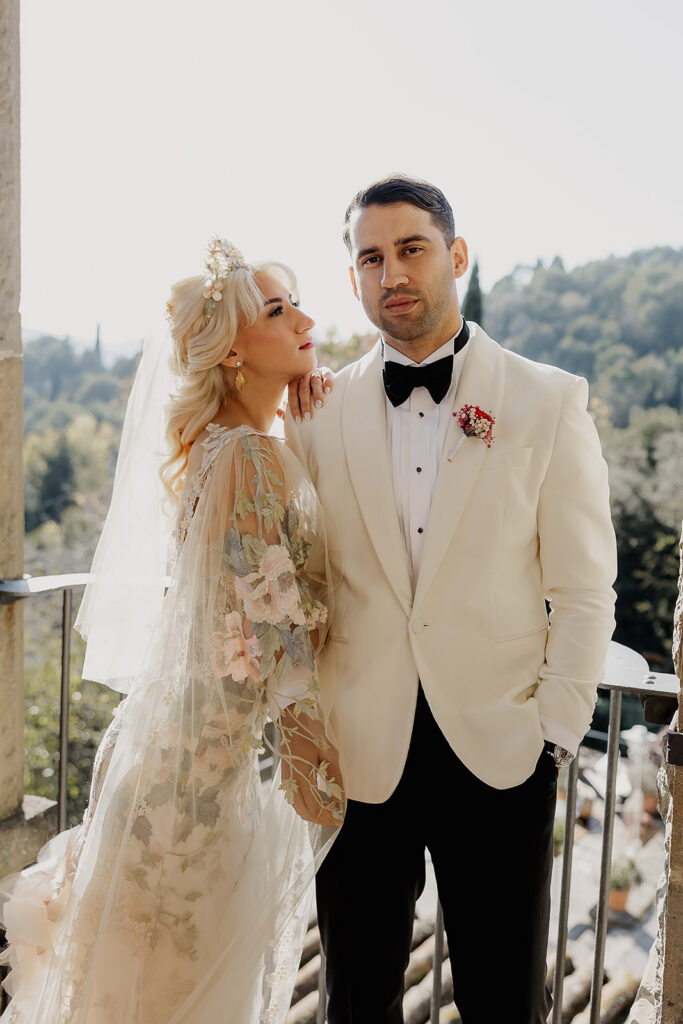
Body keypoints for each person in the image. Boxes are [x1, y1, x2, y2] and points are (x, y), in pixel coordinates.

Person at [286, 176, 618, 1024]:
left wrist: (554, 728)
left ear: (456, 256)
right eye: (370, 257)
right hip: (358, 753)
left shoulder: (546, 400)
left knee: (504, 997)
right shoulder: (316, 411)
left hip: (501, 752)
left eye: (411, 249)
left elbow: (581, 587)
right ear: (353, 277)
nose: (391, 273)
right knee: (355, 993)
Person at [0, 239, 344, 1024]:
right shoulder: (251, 457)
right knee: (170, 984)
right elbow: (275, 622)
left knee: (141, 981)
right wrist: (311, 753)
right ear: (230, 349)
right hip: (194, 776)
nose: (307, 320)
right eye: (279, 311)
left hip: (172, 756)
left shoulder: (223, 450)